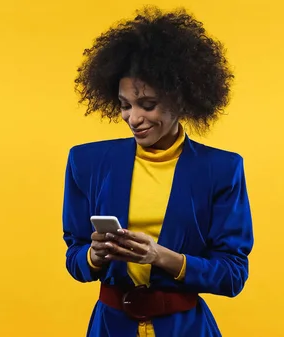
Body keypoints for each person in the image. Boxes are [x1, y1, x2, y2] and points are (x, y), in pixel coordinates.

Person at [62, 6, 254, 337]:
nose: (133, 117)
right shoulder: (86, 162)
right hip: (110, 327)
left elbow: (232, 274)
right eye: (125, 105)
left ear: (180, 100)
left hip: (185, 328)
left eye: (147, 105)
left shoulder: (221, 170)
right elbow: (75, 258)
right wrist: (93, 255)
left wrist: (161, 257)